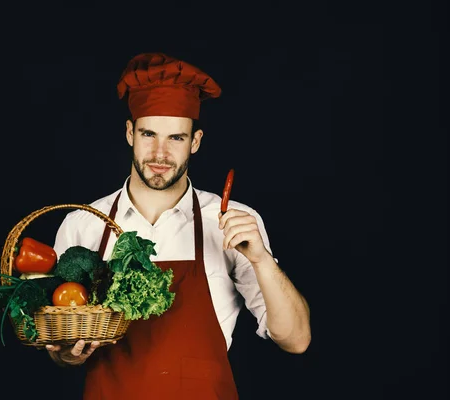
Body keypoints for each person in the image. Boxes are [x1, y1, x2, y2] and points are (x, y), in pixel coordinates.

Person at [45, 52, 311, 399]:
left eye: (176, 138)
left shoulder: (231, 221)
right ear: (130, 133)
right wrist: (64, 353)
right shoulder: (83, 224)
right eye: (149, 133)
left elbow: (296, 340)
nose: (160, 154)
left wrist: (261, 260)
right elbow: (61, 343)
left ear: (195, 141)